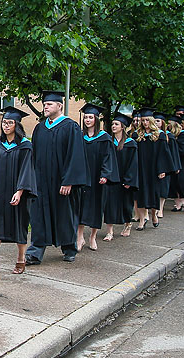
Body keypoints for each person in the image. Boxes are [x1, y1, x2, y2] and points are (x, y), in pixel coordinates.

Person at [26, 91, 88, 264]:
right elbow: (34, 155)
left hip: (62, 182)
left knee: (64, 215)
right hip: (41, 181)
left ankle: (69, 247)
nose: (45, 106)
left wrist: (69, 180)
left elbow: (75, 156)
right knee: (39, 215)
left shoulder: (70, 127)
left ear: (60, 106)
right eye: (44, 104)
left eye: (49, 104)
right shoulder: (40, 128)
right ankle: (36, 251)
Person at [0, 106, 37, 275]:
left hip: (17, 193)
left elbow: (27, 170)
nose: (6, 125)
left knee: (19, 225)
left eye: (10, 122)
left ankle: (21, 258)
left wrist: (20, 191)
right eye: (4, 122)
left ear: (17, 125)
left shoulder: (25, 146)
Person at [77, 103, 117, 252]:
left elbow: (108, 157)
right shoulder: (79, 136)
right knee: (80, 206)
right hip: (82, 176)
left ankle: (92, 237)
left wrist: (105, 175)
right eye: (86, 117)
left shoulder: (104, 138)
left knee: (96, 207)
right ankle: (79, 237)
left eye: (90, 117)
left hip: (98, 177)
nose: (87, 120)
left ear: (96, 119)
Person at [135, 109, 172, 230]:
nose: (145, 123)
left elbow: (163, 153)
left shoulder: (160, 135)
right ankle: (142, 219)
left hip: (154, 169)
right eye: (143, 120)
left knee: (154, 193)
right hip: (141, 168)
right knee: (140, 194)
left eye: (147, 120)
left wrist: (162, 169)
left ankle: (154, 215)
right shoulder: (137, 135)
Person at [104, 113, 138, 239]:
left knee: (126, 204)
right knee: (109, 204)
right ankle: (110, 231)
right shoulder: (109, 142)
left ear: (123, 127)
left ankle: (128, 224)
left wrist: (129, 179)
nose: (113, 126)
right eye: (113, 124)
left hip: (125, 178)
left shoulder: (131, 144)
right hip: (111, 178)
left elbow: (133, 164)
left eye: (116, 124)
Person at [154, 113, 179, 218]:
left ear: (163, 123)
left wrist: (174, 166)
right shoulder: (151, 135)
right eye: (155, 121)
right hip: (153, 166)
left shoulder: (169, 136)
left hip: (165, 166)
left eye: (158, 121)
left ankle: (160, 209)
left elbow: (173, 153)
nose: (156, 123)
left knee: (163, 188)